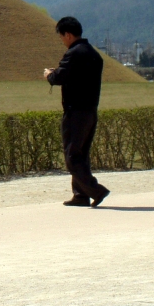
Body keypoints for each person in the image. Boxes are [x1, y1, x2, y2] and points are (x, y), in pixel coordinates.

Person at [44, 16, 110, 207]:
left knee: (72, 156)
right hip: (90, 111)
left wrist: (50, 74)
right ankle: (80, 195)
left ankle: (96, 190)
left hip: (75, 112)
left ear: (68, 34)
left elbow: (60, 76)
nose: (62, 40)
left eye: (62, 37)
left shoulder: (74, 53)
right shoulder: (94, 54)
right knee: (82, 154)